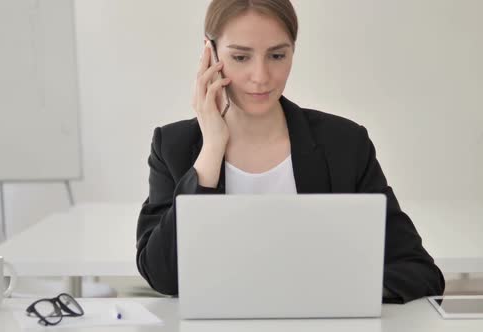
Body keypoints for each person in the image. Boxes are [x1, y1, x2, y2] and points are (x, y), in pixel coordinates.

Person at [136, 0, 444, 304]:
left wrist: (330, 291)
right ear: (210, 53)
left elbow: (419, 271)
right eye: (241, 57)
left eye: (277, 55)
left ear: (292, 52)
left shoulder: (345, 144)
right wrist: (212, 148)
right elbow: (163, 276)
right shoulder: (173, 146)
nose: (261, 76)